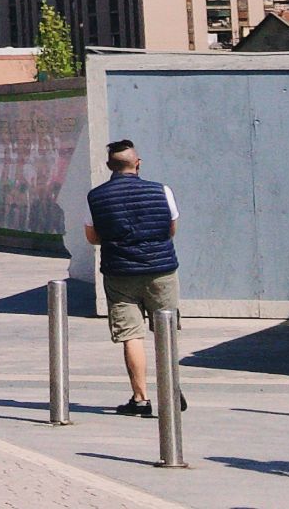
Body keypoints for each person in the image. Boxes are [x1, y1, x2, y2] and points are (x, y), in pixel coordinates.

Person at [85, 140, 186, 418]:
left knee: (131, 335)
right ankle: (171, 390)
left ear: (109, 166)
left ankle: (140, 398)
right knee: (164, 330)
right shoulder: (161, 190)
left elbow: (92, 237)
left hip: (120, 273)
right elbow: (171, 228)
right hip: (161, 269)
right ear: (138, 163)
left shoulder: (96, 196)